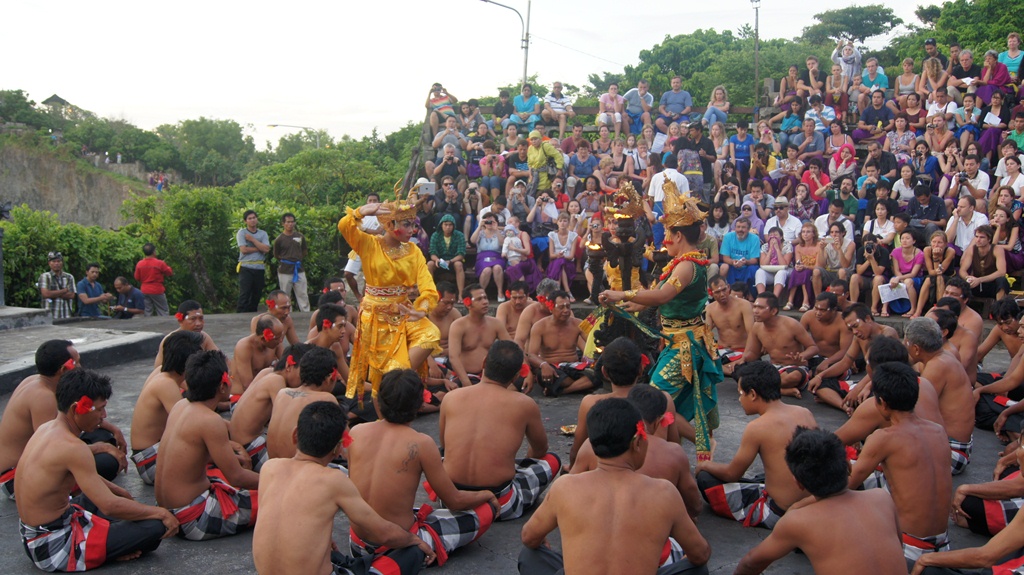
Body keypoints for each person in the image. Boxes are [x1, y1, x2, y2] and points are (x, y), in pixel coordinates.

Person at [519, 398, 710, 575]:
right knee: (698, 569)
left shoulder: (564, 487)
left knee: (529, 555)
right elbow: (700, 554)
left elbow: (529, 537)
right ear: (637, 443)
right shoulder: (665, 493)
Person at [599, 192, 724, 462]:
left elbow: (663, 295)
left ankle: (702, 441)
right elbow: (657, 292)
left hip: (684, 345)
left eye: (668, 232)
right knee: (664, 399)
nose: (665, 238)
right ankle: (674, 447)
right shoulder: (684, 262)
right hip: (679, 341)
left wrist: (623, 295)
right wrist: (637, 305)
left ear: (678, 235)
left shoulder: (687, 265)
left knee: (654, 399)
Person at [16, 369, 177, 572]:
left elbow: (96, 486)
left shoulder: (46, 428)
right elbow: (109, 506)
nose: (104, 416)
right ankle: (108, 551)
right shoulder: (73, 448)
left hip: (32, 536)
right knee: (155, 527)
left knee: (116, 506)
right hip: (53, 547)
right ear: (78, 408)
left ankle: (112, 544)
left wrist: (119, 491)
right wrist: (160, 512)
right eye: (99, 409)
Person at [253, 401, 433, 575]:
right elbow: (382, 533)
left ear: (295, 435)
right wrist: (414, 539)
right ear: (337, 448)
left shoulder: (270, 468)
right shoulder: (333, 480)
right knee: (413, 553)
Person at [348, 370, 497, 567]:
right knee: (484, 510)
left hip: (356, 544)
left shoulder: (356, 432)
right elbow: (454, 500)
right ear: (419, 405)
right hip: (398, 544)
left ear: (380, 401)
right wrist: (487, 495)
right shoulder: (421, 443)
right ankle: (399, 559)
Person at [733, 428, 906, 575]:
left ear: (798, 483)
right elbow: (898, 548)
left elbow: (750, 563)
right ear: (849, 465)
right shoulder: (881, 498)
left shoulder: (798, 521)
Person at [337, 187, 439, 402]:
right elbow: (345, 226)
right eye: (407, 224)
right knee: (379, 374)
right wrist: (361, 212)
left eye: (413, 224)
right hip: (376, 316)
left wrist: (422, 309)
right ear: (390, 224)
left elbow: (427, 284)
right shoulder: (369, 244)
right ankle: (387, 406)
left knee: (430, 334)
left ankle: (396, 383)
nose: (412, 229)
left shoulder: (413, 251)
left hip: (404, 312)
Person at [441, 341, 560, 521]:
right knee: (552, 460)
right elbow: (540, 451)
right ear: (517, 375)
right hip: (502, 504)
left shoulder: (451, 398)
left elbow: (445, 446)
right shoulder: (524, 404)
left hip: (450, 497)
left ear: (484, 362)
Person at [848, 361, 953, 562]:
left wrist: (802, 505)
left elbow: (846, 484)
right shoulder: (938, 431)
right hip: (943, 545)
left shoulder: (884, 438)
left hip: (909, 549)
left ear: (883, 403)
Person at [696, 361, 817, 529]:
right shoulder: (804, 412)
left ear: (752, 394)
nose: (739, 399)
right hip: (812, 501)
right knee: (763, 475)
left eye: (741, 393)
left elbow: (732, 474)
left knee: (705, 479)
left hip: (778, 511)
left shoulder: (757, 427)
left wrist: (705, 465)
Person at [0, 340, 126, 500]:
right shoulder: (43, 398)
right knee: (108, 462)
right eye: (77, 362)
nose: (81, 367)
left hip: (35, 459)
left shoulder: (36, 380)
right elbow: (51, 452)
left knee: (103, 434)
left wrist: (114, 429)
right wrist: (102, 448)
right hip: (18, 477)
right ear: (64, 369)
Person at [155, 350, 259, 541]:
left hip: (170, 508)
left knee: (223, 475)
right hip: (194, 518)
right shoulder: (210, 420)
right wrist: (278, 481)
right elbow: (236, 476)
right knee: (274, 498)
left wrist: (234, 458)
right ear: (222, 386)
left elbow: (191, 456)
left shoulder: (181, 406)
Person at [129, 331, 205, 484]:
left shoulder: (164, 372)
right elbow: (188, 424)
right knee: (215, 450)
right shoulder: (166, 384)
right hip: (151, 463)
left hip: (153, 454)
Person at [904, 317, 977, 474]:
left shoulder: (937, 366)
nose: (905, 347)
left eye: (907, 344)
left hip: (953, 453)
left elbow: (913, 410)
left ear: (916, 349)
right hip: (954, 446)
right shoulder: (943, 356)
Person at [229, 343, 311, 473]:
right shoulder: (276, 382)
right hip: (251, 446)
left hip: (247, 438)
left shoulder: (267, 371)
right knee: (298, 467)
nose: (307, 379)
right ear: (289, 366)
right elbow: (285, 423)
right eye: (304, 373)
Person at [806, 304, 899, 412]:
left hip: (883, 383)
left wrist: (860, 388)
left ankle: (844, 400)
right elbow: (845, 362)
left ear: (868, 319)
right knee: (819, 384)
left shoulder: (888, 334)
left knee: (873, 399)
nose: (854, 332)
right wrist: (820, 376)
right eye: (851, 329)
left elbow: (883, 371)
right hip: (864, 382)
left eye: (855, 326)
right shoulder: (858, 337)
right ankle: (845, 406)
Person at [738, 293, 820, 395]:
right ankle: (782, 391)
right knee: (740, 371)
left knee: (794, 377)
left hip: (793, 368)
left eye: (760, 308)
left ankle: (761, 388)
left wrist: (801, 356)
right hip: (772, 368)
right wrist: (743, 360)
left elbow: (813, 348)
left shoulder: (791, 324)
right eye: (754, 307)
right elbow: (753, 354)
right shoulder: (756, 327)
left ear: (773, 311)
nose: (755, 311)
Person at [527, 290, 593, 396]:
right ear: (551, 307)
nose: (566, 311)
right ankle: (582, 386)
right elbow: (531, 355)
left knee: (597, 372)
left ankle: (565, 390)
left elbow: (593, 344)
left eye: (568, 306)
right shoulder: (539, 326)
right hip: (553, 369)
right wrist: (543, 365)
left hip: (574, 367)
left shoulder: (579, 323)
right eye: (561, 307)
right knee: (544, 376)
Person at [448, 284, 511, 389]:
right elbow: (453, 357)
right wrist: (465, 381)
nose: (485, 302)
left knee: (518, 381)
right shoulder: (458, 326)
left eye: (485, 298)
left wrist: (526, 372)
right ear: (468, 303)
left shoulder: (496, 323)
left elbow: (512, 349)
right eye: (479, 299)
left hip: (490, 376)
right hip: (467, 376)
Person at [706, 275, 754, 369]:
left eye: (724, 290)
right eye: (717, 292)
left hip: (742, 350)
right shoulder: (710, 309)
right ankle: (726, 369)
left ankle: (723, 369)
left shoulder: (744, 305)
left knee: (743, 367)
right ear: (711, 293)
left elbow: (752, 334)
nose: (722, 294)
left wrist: (745, 356)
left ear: (728, 287)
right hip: (721, 350)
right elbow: (706, 334)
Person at [153, 300, 218, 367]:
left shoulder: (204, 337)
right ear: (180, 321)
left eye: (201, 318)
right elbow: (161, 369)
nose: (198, 323)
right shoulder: (171, 341)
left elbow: (221, 359)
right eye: (193, 319)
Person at [343, 193, 383, 301]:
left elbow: (381, 231)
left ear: (379, 202)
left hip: (374, 249)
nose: (372, 203)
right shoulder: (360, 215)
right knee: (348, 273)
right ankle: (358, 296)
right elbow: (355, 229)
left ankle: (364, 300)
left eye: (375, 200)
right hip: (358, 248)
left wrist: (366, 231)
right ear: (367, 202)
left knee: (368, 279)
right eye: (370, 200)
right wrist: (369, 231)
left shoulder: (383, 216)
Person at [230, 315, 284, 395]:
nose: (280, 341)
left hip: (260, 390)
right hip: (241, 396)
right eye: (277, 338)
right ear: (263, 338)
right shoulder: (244, 347)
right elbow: (247, 385)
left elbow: (287, 365)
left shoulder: (275, 343)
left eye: (281, 337)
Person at [959, 224, 1009, 300]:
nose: (978, 240)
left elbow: (1002, 272)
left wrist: (980, 280)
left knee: (1002, 280)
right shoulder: (972, 249)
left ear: (989, 239)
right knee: (956, 281)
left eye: (982, 237)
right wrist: (968, 278)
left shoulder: (997, 249)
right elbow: (962, 270)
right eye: (976, 236)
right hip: (975, 284)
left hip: (991, 284)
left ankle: (999, 309)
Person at [272, 212, 310, 312]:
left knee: (302, 293)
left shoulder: (300, 236)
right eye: (288, 222)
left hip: (299, 268)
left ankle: (306, 313)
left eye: (292, 222)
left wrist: (298, 258)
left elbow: (304, 250)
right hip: (285, 270)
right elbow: (276, 254)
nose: (290, 224)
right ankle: (286, 313)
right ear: (283, 223)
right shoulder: (279, 239)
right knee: (285, 294)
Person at [235, 210, 270, 313]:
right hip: (246, 267)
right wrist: (260, 247)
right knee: (245, 293)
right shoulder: (242, 233)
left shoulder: (263, 233)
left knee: (257, 294)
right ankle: (239, 315)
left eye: (254, 217)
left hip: (259, 268)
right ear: (245, 221)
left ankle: (252, 315)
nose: (252, 220)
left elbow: (267, 249)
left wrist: (252, 240)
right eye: (250, 218)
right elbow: (244, 250)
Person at [427, 213, 466, 298]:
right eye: (445, 225)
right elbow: (432, 252)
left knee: (459, 264)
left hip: (453, 261)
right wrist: (436, 259)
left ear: (453, 226)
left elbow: (461, 254)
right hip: (439, 261)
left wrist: (450, 261)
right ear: (441, 225)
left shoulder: (459, 235)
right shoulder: (435, 235)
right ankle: (430, 292)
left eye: (450, 225)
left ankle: (460, 294)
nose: (448, 227)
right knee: (430, 264)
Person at [719, 217, 761, 289]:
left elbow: (754, 260)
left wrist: (745, 262)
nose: (740, 230)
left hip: (747, 266)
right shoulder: (728, 237)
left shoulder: (755, 238)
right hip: (732, 265)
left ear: (748, 229)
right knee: (724, 267)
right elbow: (725, 258)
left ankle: (749, 294)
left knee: (753, 269)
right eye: (738, 227)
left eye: (743, 227)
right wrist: (733, 262)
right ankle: (726, 290)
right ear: (735, 228)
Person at [133, 243, 173, 317]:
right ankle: (163, 325)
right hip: (157, 289)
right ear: (154, 251)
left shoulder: (140, 264)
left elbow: (137, 277)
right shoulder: (159, 263)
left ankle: (148, 326)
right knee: (162, 310)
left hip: (144, 290)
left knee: (147, 310)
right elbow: (169, 273)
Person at [39, 251, 76, 319]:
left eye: (59, 261)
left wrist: (52, 293)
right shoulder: (45, 276)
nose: (56, 263)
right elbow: (46, 294)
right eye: (54, 261)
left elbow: (71, 295)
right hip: (49, 317)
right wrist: (64, 290)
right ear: (49, 263)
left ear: (62, 263)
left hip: (66, 315)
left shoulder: (69, 277)